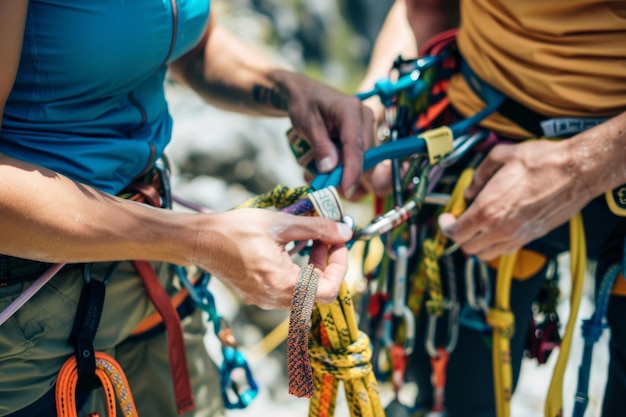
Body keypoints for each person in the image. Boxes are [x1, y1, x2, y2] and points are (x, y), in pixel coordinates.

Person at [0, 1, 375, 416]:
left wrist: (295, 91)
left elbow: (193, 43)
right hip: (26, 309)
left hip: (145, 266)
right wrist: (198, 240)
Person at [353, 0, 626, 416]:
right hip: (482, 155)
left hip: (498, 164)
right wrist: (376, 101)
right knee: (454, 399)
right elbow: (426, 8)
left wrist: (582, 168)